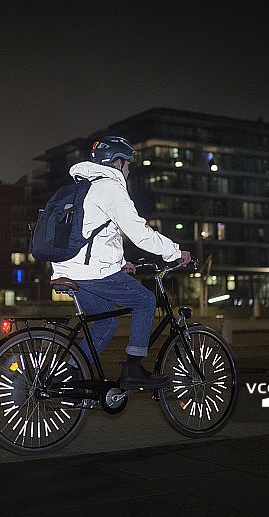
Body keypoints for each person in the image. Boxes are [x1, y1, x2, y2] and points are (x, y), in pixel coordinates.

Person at [51, 136, 192, 389]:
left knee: (106, 322)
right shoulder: (109, 187)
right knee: (146, 301)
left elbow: (94, 234)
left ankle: (68, 374)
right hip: (91, 272)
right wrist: (174, 252)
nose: (129, 170)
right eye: (128, 164)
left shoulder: (84, 186)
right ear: (117, 162)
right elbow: (139, 234)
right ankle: (134, 370)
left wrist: (119, 263)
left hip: (70, 268)